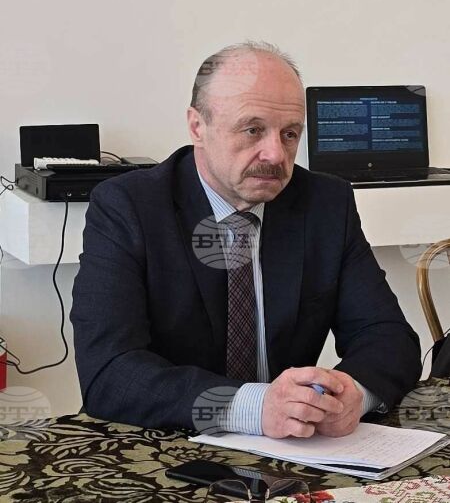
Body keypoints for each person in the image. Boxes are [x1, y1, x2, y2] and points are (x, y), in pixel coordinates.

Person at [71, 42, 422, 439]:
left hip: (290, 449)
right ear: (197, 126)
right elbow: (109, 372)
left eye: (289, 134)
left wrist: (351, 394)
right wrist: (252, 407)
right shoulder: (128, 206)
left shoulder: (325, 203)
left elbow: (389, 336)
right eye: (253, 129)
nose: (275, 154)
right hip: (164, 442)